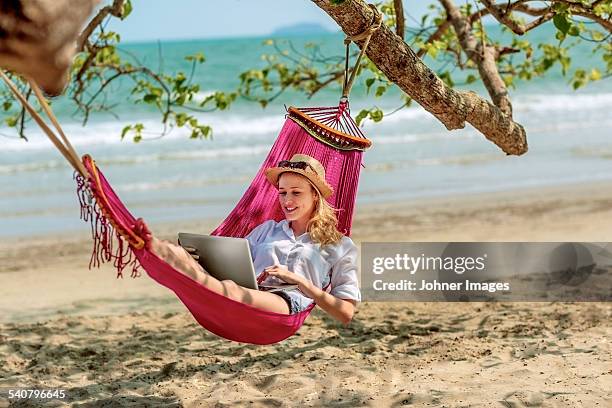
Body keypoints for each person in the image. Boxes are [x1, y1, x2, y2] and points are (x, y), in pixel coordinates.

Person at [148, 154, 360, 324]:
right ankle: (149, 245)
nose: (287, 201)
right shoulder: (267, 230)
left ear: (315, 195)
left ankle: (164, 255)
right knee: (181, 256)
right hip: (246, 291)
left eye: (296, 193)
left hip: (287, 303)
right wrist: (201, 257)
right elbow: (234, 266)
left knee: (229, 290)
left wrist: (301, 283)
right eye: (282, 192)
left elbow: (346, 313)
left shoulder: (339, 245)